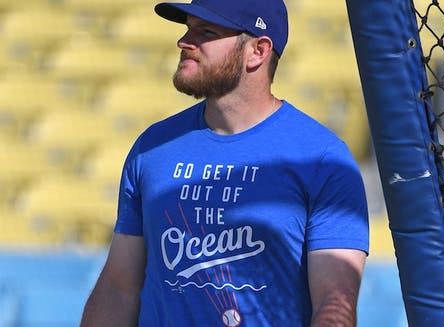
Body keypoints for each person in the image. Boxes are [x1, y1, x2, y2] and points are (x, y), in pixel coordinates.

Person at [80, 0, 369, 326]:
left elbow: (335, 305)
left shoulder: (322, 159)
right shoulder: (152, 148)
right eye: (188, 28)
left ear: (258, 51)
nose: (185, 42)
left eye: (206, 31)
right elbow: (119, 287)